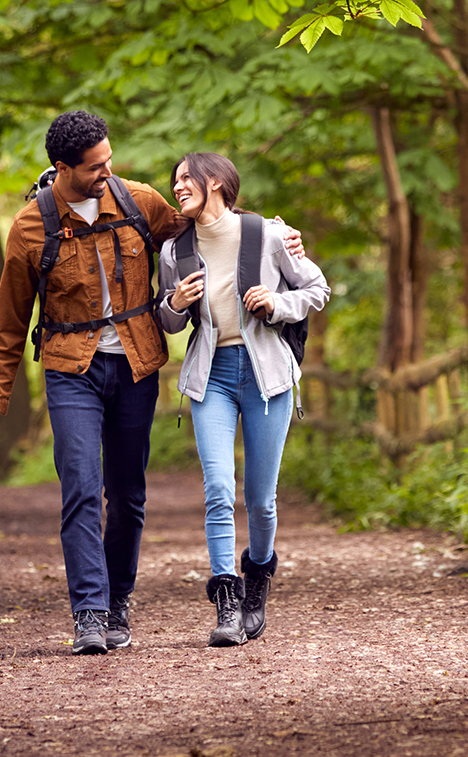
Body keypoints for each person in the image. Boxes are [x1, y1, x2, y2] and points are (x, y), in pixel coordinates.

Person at [0, 112, 304, 655]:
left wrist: (276, 238)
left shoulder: (137, 201)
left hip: (134, 363)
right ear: (63, 168)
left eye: (109, 158)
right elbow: (6, 323)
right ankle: (91, 613)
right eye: (97, 166)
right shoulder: (31, 228)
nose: (109, 170)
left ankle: (119, 598)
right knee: (80, 487)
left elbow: (208, 230)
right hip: (69, 368)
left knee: (126, 493)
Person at [155, 153, 329, 647]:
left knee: (260, 500)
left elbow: (317, 288)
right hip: (211, 377)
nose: (178, 186)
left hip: (266, 376)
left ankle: (257, 585)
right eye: (175, 180)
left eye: (187, 178)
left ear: (215, 182)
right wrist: (175, 304)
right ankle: (227, 602)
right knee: (217, 488)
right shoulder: (175, 251)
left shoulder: (268, 235)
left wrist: (277, 304)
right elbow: (166, 321)